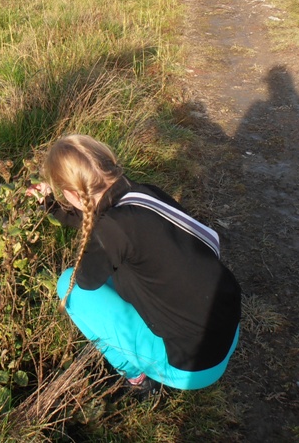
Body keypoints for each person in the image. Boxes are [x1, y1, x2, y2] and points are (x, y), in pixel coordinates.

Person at [35, 134, 241, 393]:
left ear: (74, 195)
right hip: (227, 331)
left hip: (192, 367)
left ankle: (137, 379)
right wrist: (53, 207)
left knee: (70, 285)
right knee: (127, 269)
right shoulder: (145, 194)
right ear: (107, 162)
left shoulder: (112, 230)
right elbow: (104, 224)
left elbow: (86, 279)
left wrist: (58, 208)